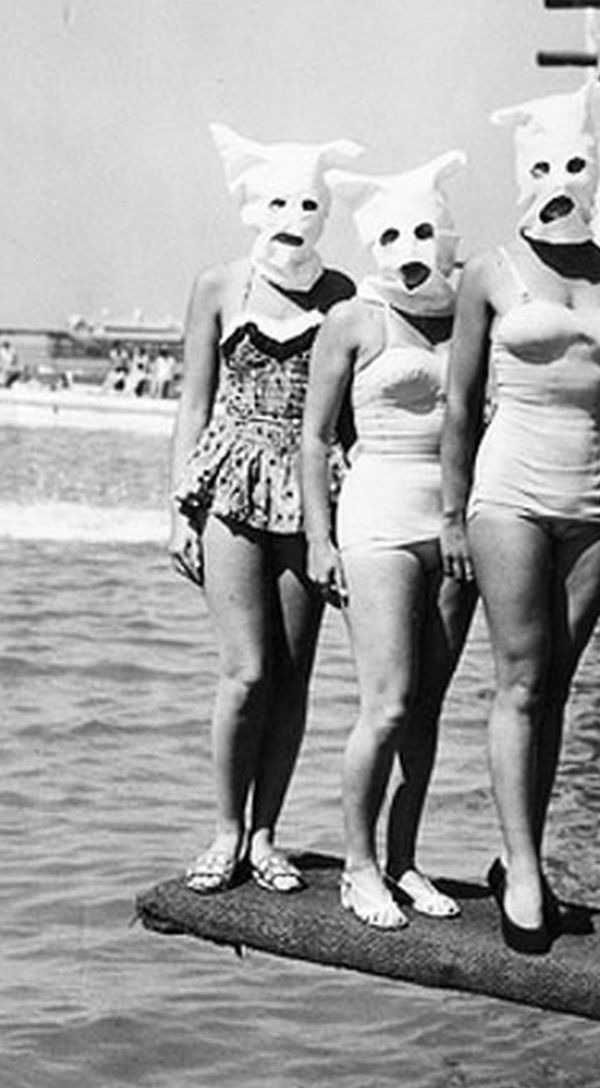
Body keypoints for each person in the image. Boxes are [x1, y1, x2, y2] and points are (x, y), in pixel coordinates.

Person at [441, 80, 600, 954]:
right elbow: (458, 405)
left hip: (593, 499)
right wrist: (452, 516)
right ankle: (523, 870)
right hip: (511, 493)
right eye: (544, 167)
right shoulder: (491, 270)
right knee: (521, 680)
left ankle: (525, 855)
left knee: (558, 685)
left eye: (575, 165)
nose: (561, 182)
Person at [168, 123, 363, 896]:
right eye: (279, 203)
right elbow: (193, 402)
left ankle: (265, 835)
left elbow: (353, 414)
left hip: (310, 490)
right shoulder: (219, 285)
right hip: (232, 484)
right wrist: (177, 510)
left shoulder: (343, 294)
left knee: (292, 676)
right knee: (246, 671)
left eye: (308, 205)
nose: (293, 219)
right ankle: (225, 828)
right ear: (255, 205)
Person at [302, 152, 479, 929]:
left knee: (428, 707)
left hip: (457, 523)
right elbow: (314, 438)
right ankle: (359, 865)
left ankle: (404, 859)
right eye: (394, 237)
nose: (411, 251)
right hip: (378, 517)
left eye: (425, 234)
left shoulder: (470, 311)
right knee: (387, 702)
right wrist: (319, 539)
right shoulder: (354, 319)